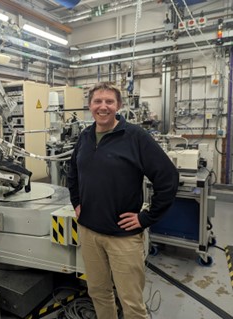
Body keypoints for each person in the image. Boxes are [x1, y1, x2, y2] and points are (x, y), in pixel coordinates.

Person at [67, 82, 179, 319]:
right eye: (98, 101)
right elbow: (72, 171)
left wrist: (146, 218)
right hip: (89, 232)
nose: (103, 106)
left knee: (132, 303)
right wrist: (76, 202)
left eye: (109, 101)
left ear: (118, 106)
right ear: (90, 106)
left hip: (123, 237)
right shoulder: (85, 137)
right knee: (98, 291)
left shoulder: (135, 137)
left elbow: (168, 178)